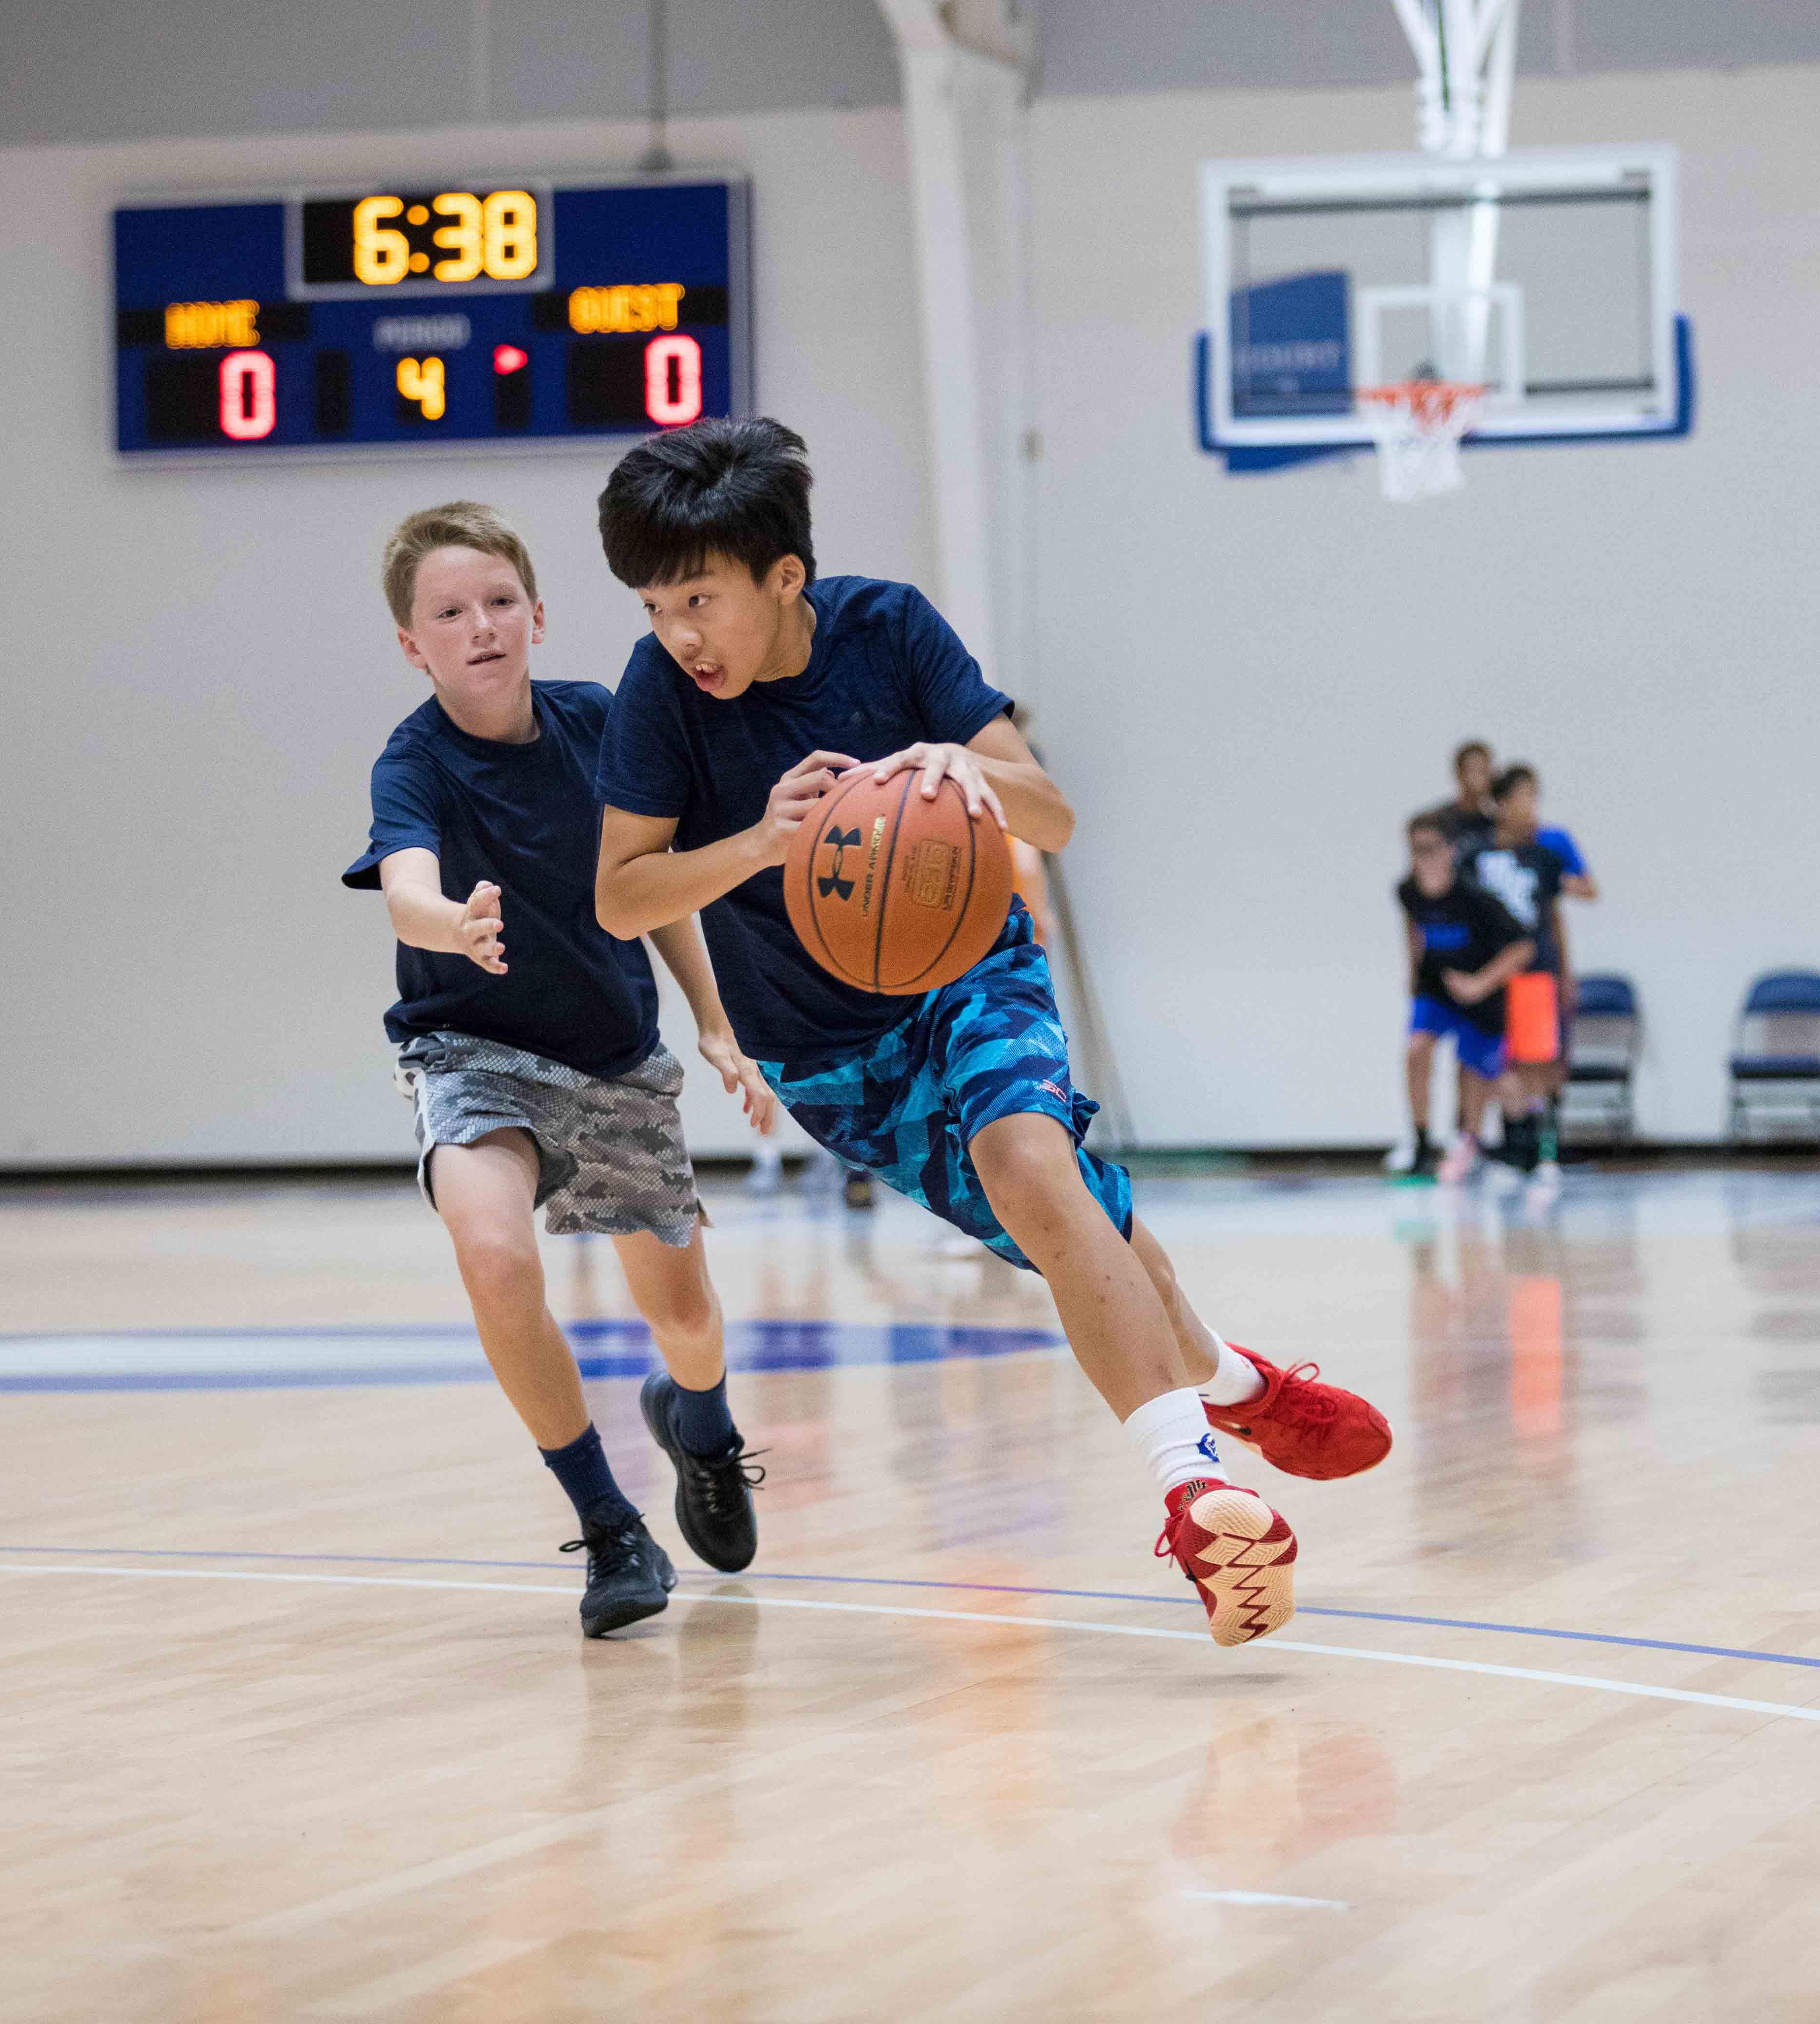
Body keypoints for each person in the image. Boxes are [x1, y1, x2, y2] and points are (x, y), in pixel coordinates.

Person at [592, 417, 1391, 1651]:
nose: (677, 633)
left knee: (1036, 1174)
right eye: (653, 607)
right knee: (1087, 1234)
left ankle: (1190, 1494)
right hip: (826, 1055)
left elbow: (1052, 816)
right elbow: (621, 895)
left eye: (698, 596)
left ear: (784, 577)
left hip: (970, 971)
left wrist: (953, 771)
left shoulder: (893, 630)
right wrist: (758, 841)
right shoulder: (662, 698)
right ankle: (1238, 1386)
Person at [344, 501, 773, 1639]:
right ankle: (609, 1524)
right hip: (468, 1048)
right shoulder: (414, 761)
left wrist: (716, 1023)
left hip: (615, 1057)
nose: (477, 626)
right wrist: (454, 927)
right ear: (412, 644)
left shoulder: (598, 724)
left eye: (496, 603)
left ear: (535, 615)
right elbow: (404, 884)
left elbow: (657, 883)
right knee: (490, 1250)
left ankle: (705, 1430)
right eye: (448, 612)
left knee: (684, 1321)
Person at [1397, 813, 1535, 1183]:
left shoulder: (1476, 898)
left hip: (1480, 993)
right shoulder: (1408, 891)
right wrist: (1414, 973)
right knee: (1416, 1051)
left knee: (1479, 1073)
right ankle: (1422, 1142)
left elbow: (1522, 947)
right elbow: (1413, 929)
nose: (1423, 858)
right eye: (1415, 850)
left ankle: (1478, 1144)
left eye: (1431, 849)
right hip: (1438, 989)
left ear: (1450, 851)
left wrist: (1480, 984)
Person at [1467, 765, 1570, 1176]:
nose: (1532, 807)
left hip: (1536, 971)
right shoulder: (1474, 856)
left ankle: (1543, 1150)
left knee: (1536, 1064)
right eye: (1524, 796)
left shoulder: (1543, 856)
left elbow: (1554, 918)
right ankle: (1505, 1145)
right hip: (1493, 972)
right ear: (1501, 803)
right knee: (1493, 1062)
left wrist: (1566, 972)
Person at [1429, 739, 1498, 855]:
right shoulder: (1439, 821)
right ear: (1459, 774)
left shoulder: (1496, 823)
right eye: (1473, 770)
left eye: (1484, 771)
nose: (1478, 778)